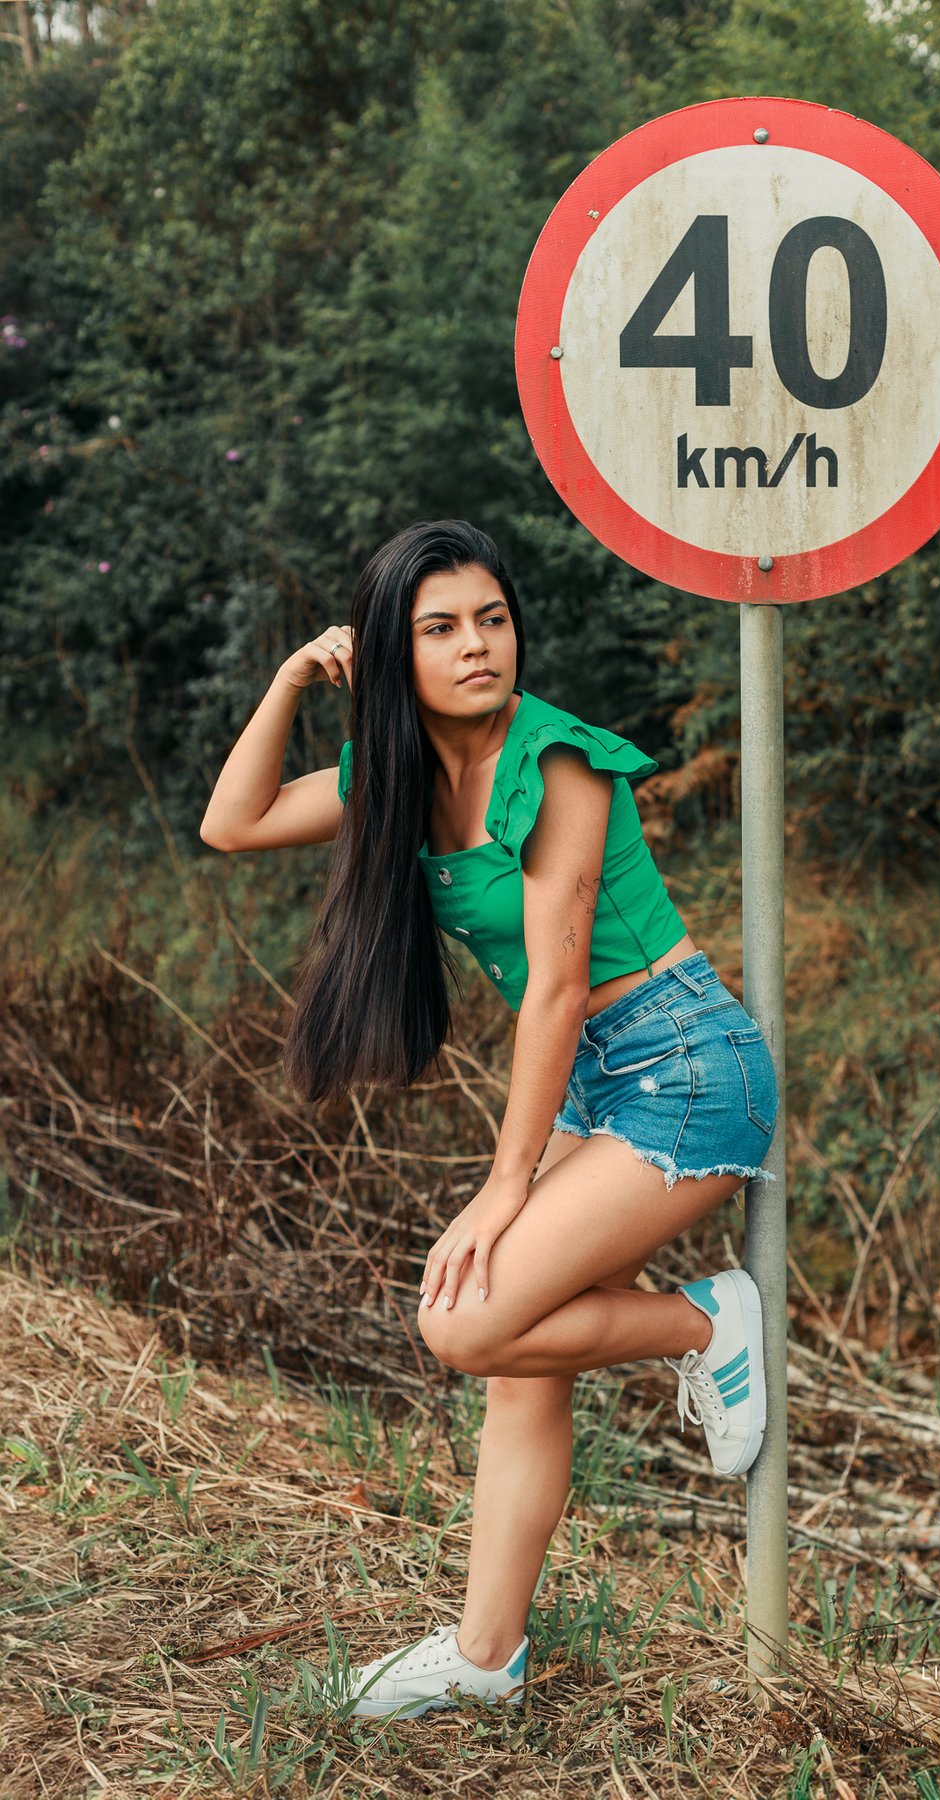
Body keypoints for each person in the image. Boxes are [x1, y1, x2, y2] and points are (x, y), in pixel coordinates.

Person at [200, 519, 779, 1720]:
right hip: (593, 1083)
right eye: (441, 628)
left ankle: (703, 1322)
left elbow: (559, 987)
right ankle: (484, 1655)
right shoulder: (398, 776)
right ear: (391, 651)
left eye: (493, 619)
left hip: (684, 1067)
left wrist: (505, 1183)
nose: (477, 646)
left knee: (465, 1323)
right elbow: (232, 823)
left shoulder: (556, 763)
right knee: (518, 1360)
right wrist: (295, 677)